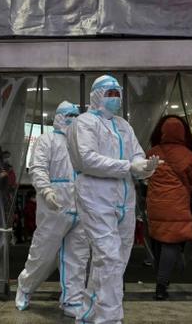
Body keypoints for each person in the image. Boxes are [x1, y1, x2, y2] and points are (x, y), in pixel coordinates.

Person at [67, 75, 161, 324]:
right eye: (110, 94)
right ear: (96, 95)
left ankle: (87, 313)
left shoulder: (123, 125)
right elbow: (87, 159)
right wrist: (129, 166)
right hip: (95, 195)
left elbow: (137, 156)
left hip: (124, 198)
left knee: (115, 260)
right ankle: (109, 319)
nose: (115, 99)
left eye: (118, 93)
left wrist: (146, 167)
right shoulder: (84, 123)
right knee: (108, 257)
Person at [15, 101, 89, 318]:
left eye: (76, 115)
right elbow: (37, 167)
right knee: (43, 254)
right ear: (57, 116)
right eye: (68, 115)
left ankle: (72, 300)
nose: (72, 119)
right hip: (55, 207)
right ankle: (25, 286)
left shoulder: (82, 143)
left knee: (77, 258)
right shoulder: (46, 140)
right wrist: (46, 191)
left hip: (82, 208)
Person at [146, 115, 192, 301]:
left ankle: (161, 277)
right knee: (171, 243)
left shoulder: (152, 153)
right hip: (176, 206)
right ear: (183, 132)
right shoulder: (187, 155)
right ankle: (161, 286)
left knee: (158, 239)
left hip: (155, 205)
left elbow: (144, 175)